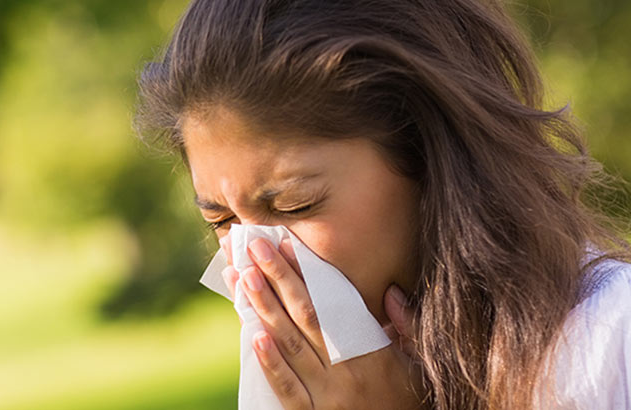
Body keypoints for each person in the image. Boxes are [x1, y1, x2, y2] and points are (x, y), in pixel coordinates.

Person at [133, 0, 631, 409]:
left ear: (428, 161)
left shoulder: (606, 345)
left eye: (294, 205)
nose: (256, 266)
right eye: (221, 220)